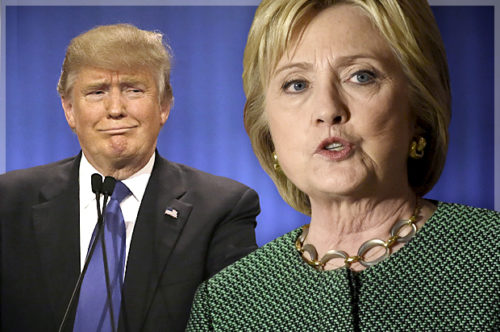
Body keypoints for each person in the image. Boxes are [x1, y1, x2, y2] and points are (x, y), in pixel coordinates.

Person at [187, 0, 500, 330]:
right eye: (297, 84)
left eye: (361, 76)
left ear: (418, 110)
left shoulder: (490, 255)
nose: (327, 109)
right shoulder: (224, 305)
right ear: (266, 129)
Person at [0, 24, 259, 332]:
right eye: (97, 92)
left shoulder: (222, 209)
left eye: (133, 90)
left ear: (163, 106)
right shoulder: (8, 201)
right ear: (69, 110)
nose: (115, 109)